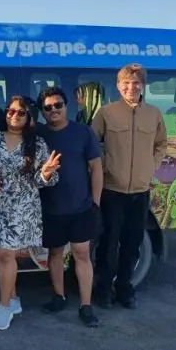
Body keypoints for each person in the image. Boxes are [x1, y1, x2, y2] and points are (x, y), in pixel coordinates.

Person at [91, 63, 167, 310]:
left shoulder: (154, 114)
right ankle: (103, 292)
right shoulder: (106, 112)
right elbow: (93, 145)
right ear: (118, 86)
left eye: (135, 83)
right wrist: (104, 168)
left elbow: (161, 145)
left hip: (140, 192)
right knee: (108, 245)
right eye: (126, 83)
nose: (130, 87)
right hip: (112, 191)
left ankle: (125, 290)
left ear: (143, 85)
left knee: (132, 245)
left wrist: (150, 167)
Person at [0, 96, 60, 331]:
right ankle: (13, 300)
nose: (14, 116)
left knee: (6, 254)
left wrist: (45, 172)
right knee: (3, 255)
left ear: (29, 117)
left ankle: (4, 307)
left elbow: (46, 180)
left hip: (22, 207)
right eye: (10, 111)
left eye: (20, 113)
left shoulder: (37, 144)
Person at [36, 86, 102, 328]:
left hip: (80, 206)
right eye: (47, 107)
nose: (53, 110)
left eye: (58, 105)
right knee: (54, 253)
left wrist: (96, 202)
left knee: (82, 254)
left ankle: (86, 305)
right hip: (51, 207)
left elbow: (96, 168)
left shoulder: (83, 132)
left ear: (67, 107)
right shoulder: (39, 134)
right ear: (42, 112)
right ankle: (59, 296)